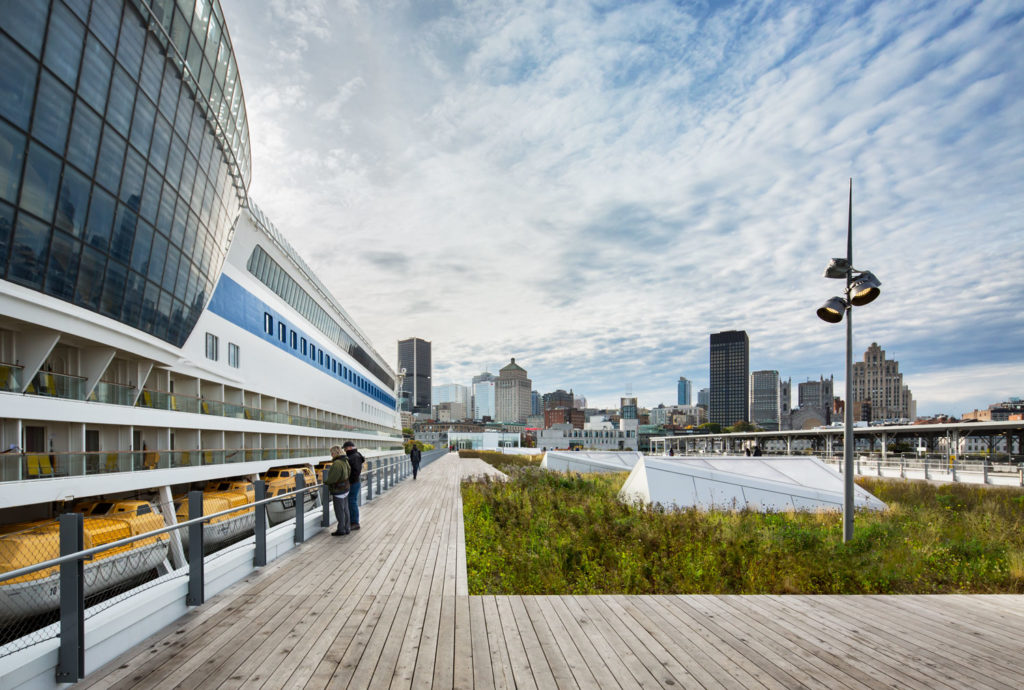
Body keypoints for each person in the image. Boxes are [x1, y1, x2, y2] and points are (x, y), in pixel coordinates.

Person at [325, 445, 350, 535]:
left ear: (335, 453)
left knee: (339, 511)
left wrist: (326, 482)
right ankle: (347, 528)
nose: (331, 455)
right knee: (346, 510)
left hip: (338, 490)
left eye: (332, 453)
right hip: (346, 488)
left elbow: (333, 478)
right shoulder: (345, 461)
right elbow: (349, 472)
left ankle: (341, 530)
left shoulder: (337, 463)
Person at [343, 441, 364, 530]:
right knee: (351, 502)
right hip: (354, 482)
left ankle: (355, 522)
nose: (344, 450)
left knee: (352, 502)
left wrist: (350, 482)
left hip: (353, 483)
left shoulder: (354, 456)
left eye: (345, 448)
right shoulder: (355, 455)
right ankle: (352, 521)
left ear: (350, 447)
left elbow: (356, 471)